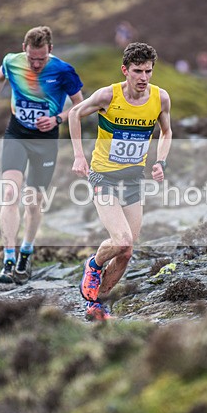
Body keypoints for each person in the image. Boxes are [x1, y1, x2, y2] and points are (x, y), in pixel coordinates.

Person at [68, 42, 172, 320]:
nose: (143, 77)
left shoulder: (160, 98)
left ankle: (97, 303)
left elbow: (166, 131)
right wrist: (79, 156)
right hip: (103, 175)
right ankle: (94, 264)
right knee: (121, 239)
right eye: (137, 71)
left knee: (126, 252)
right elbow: (74, 114)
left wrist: (160, 161)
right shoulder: (108, 95)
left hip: (133, 178)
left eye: (148, 71)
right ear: (125, 70)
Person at [0, 26, 84, 283]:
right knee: (10, 194)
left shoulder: (63, 70)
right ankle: (8, 261)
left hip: (45, 141)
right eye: (32, 58)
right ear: (24, 49)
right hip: (17, 134)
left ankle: (26, 251)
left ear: (50, 50)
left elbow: (81, 106)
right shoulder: (11, 61)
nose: (36, 64)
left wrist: (57, 118)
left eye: (41, 59)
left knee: (33, 203)